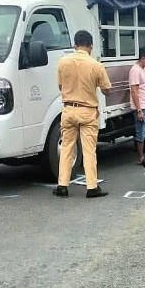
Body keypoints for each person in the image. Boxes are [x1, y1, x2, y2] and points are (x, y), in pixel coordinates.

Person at [54, 29, 111, 198]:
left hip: (69, 110)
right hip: (87, 112)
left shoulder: (63, 62)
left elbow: (60, 87)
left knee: (66, 148)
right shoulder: (96, 65)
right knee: (89, 151)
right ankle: (92, 187)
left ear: (75, 45)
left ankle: (62, 186)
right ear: (91, 46)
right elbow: (107, 90)